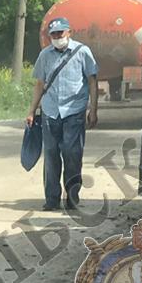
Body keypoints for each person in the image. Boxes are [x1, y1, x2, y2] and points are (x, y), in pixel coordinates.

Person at [24, 17, 98, 210]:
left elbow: (92, 81)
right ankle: (51, 199)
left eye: (60, 33)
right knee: (50, 156)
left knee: (72, 155)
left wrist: (94, 109)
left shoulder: (83, 52)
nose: (57, 37)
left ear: (69, 32)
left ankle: (72, 197)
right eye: (54, 34)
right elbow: (39, 84)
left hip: (74, 111)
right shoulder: (45, 55)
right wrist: (31, 111)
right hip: (50, 112)